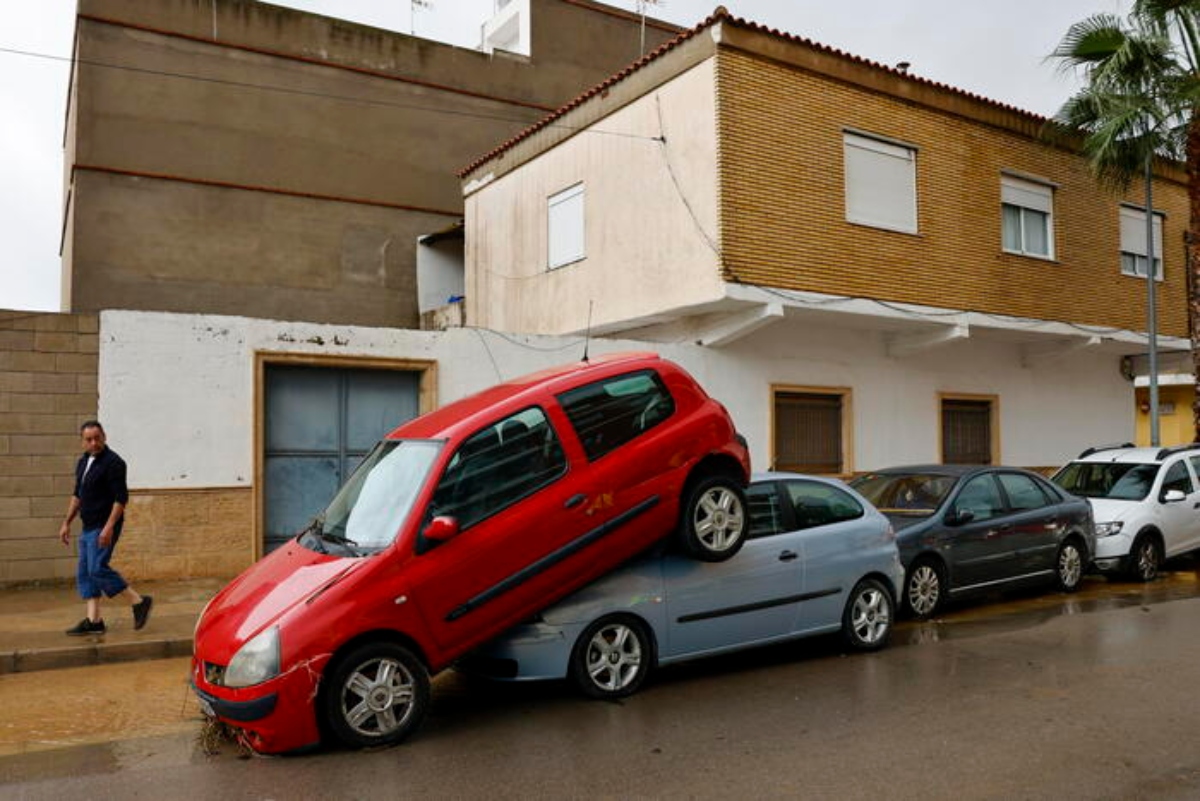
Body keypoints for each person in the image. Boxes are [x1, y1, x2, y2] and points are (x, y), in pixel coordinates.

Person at [58, 420, 153, 636]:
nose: (93, 443)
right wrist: (67, 522)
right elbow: (77, 495)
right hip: (88, 525)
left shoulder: (114, 463)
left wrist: (109, 527)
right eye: (88, 439)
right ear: (82, 442)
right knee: (86, 573)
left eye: (97, 438)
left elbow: (121, 499)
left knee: (97, 568)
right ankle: (94, 621)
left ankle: (138, 601)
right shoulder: (83, 462)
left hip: (104, 525)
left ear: (104, 437)